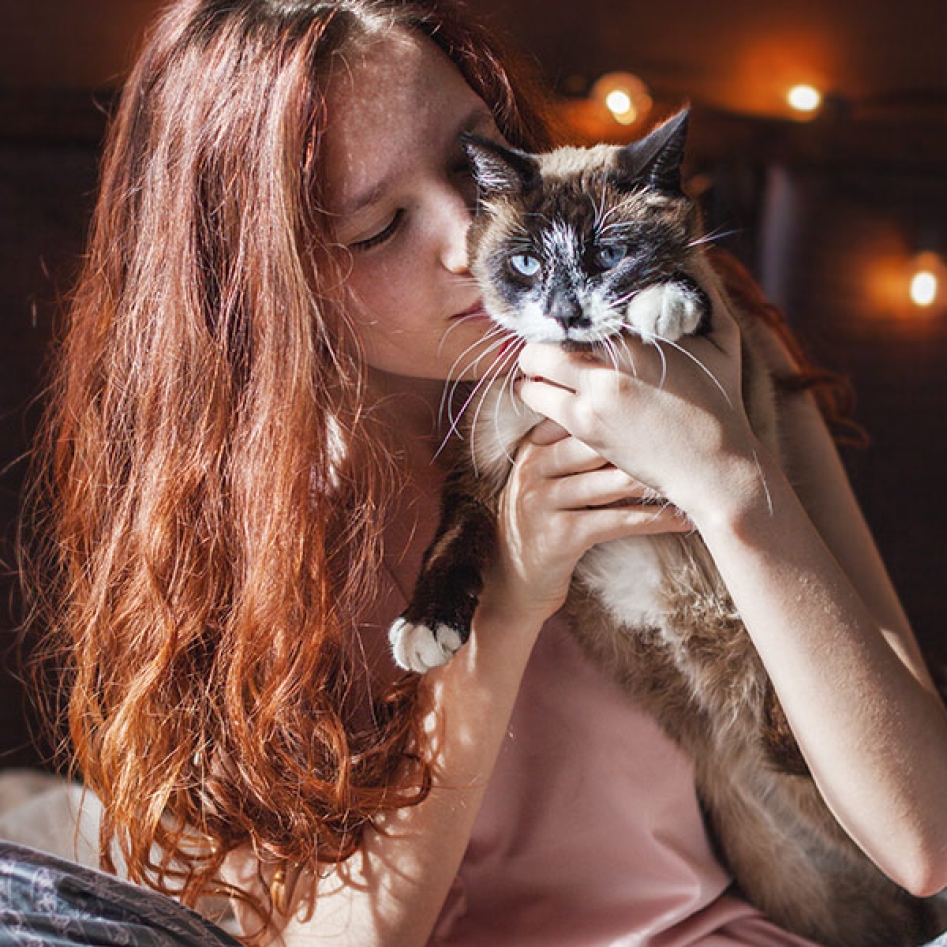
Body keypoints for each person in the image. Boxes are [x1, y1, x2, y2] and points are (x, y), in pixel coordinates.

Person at [18, 0, 947, 944]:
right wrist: (504, 599)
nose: (473, 236)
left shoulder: (697, 340)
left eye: (474, 161)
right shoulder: (247, 520)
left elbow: (922, 838)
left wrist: (735, 490)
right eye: (381, 228)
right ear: (265, 282)